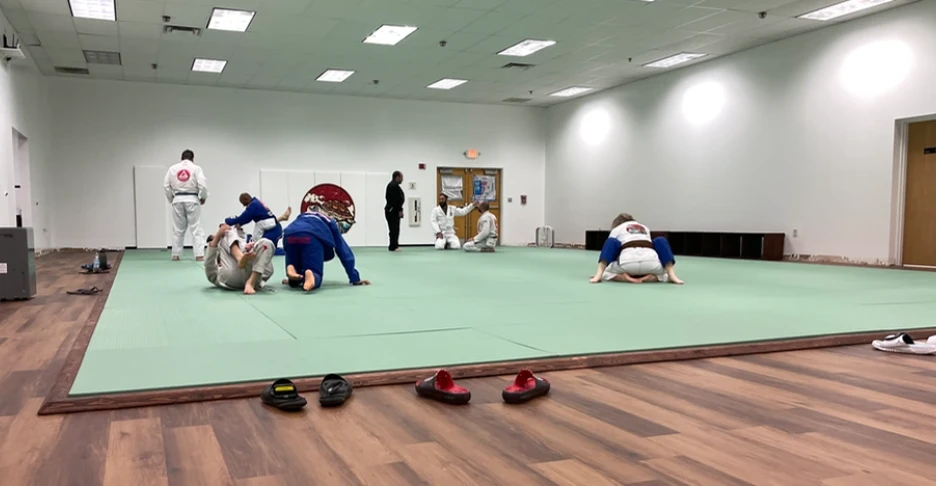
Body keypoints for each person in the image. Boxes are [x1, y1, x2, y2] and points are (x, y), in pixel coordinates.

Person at [282, 210, 370, 292]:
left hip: (289, 235)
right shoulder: (330, 222)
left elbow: (291, 245)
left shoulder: (302, 216)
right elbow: (343, 249)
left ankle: (292, 273)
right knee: (315, 272)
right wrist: (354, 277)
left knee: (295, 258)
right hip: (311, 236)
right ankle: (312, 275)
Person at [590, 213, 684, 285]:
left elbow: (610, 248)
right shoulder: (645, 228)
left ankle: (602, 275)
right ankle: (669, 275)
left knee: (611, 242)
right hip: (652, 264)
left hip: (627, 264)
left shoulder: (616, 229)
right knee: (660, 240)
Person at [204, 224, 275, 295]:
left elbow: (267, 269)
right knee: (227, 232)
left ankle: (250, 282)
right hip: (231, 275)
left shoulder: (242, 244)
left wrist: (251, 250)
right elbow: (209, 266)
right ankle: (240, 258)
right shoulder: (221, 248)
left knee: (266, 243)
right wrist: (218, 236)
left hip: (252, 274)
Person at [164, 150, 208, 261]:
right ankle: (199, 255)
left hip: (177, 199)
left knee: (178, 229)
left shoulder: (173, 169)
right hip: (192, 198)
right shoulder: (196, 168)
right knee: (196, 228)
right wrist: (203, 197)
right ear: (192, 159)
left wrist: (171, 198)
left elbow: (166, 186)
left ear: (181, 158)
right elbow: (202, 185)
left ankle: (176, 255)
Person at [224, 193, 291, 246]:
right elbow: (247, 219)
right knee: (260, 225)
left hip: (267, 223)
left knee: (259, 225)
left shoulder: (253, 206)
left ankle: (253, 242)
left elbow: (242, 218)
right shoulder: (256, 201)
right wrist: (240, 224)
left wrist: (229, 221)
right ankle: (281, 218)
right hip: (271, 221)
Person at [384, 171, 405, 252]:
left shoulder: (395, 186)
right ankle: (393, 246)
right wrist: (399, 210)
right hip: (392, 210)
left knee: (395, 228)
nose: (402, 180)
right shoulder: (393, 186)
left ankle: (394, 244)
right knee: (393, 228)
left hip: (394, 210)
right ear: (397, 177)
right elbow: (395, 200)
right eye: (401, 177)